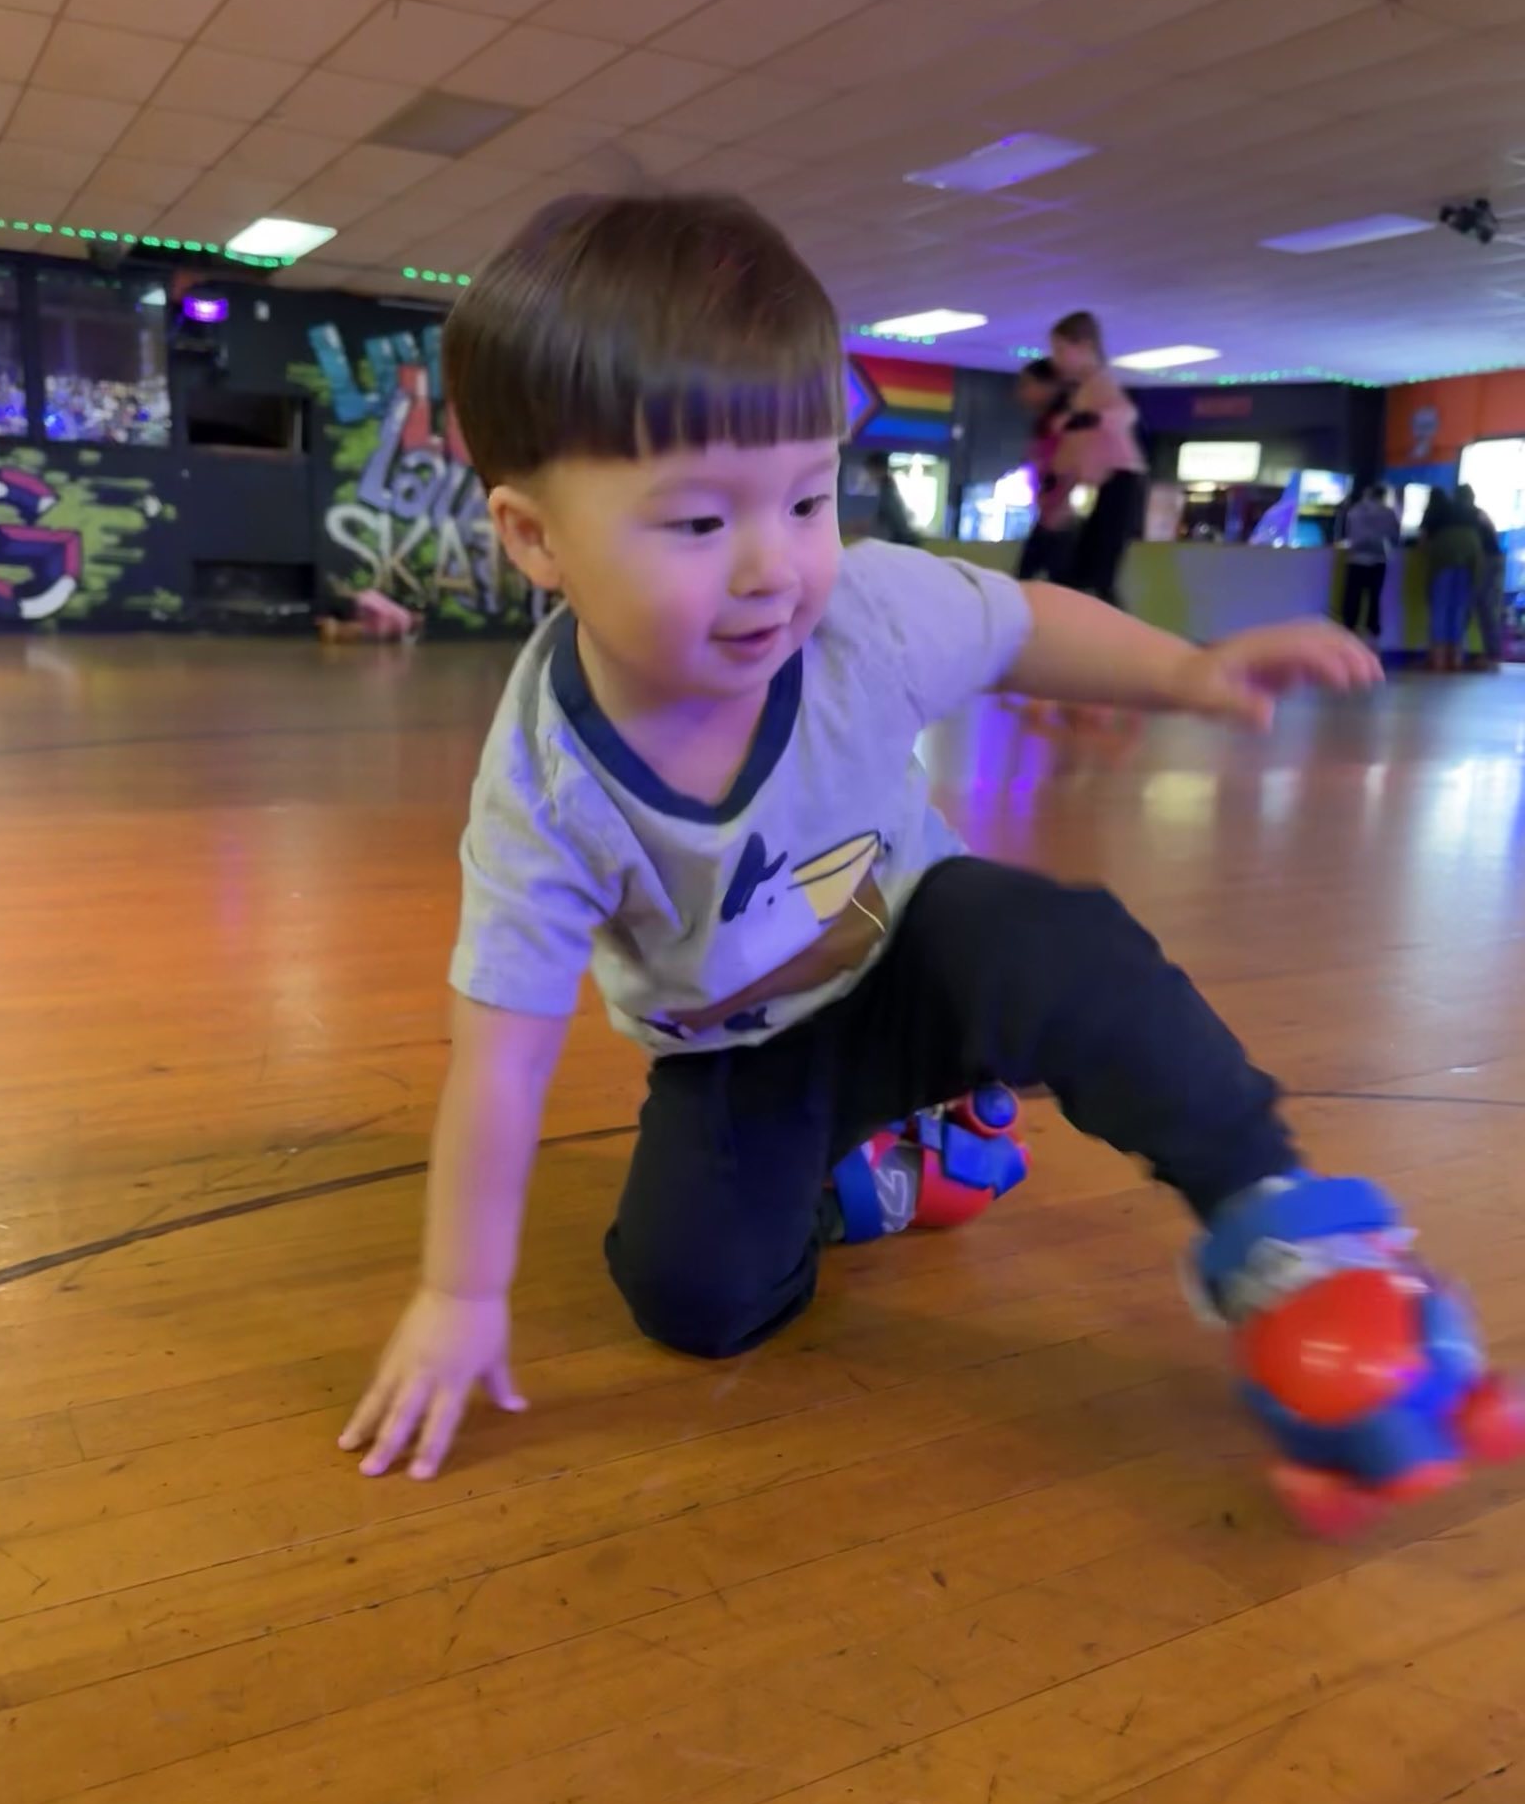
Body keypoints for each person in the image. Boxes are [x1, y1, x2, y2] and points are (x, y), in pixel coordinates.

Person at [338, 190, 1487, 1507]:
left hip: (924, 955)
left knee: (1064, 944)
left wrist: (1188, 671)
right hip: (742, 1050)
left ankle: (1283, 1228)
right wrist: (456, 1293)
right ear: (535, 536)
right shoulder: (546, 790)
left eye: (810, 498)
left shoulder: (862, 614)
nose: (774, 568)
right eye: (703, 523)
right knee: (696, 1299)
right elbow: (501, 1064)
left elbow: (1018, 624)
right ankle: (879, 1171)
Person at [1048, 311, 1147, 606]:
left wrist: (1086, 419)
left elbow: (1122, 415)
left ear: (1084, 346)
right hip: (1112, 482)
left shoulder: (1099, 382)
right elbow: (1079, 447)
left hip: (1123, 481)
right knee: (1083, 572)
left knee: (1097, 573)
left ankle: (1120, 641)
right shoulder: (1085, 388)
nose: (1057, 359)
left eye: (1061, 350)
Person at [1015, 357, 1077, 586]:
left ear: (1048, 386)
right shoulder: (1044, 425)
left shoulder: (1061, 424)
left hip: (1056, 520)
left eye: (1027, 384)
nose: (1022, 393)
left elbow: (1067, 470)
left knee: (1066, 588)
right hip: (1048, 518)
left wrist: (1054, 500)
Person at [1421, 487, 1482, 672]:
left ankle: (1438, 660)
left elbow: (1423, 540)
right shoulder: (1473, 512)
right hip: (1470, 556)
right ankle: (1456, 659)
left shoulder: (1438, 509)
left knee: (1440, 609)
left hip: (1444, 557)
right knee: (1458, 610)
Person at [1341, 483, 1399, 646]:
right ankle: (1372, 642)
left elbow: (1347, 534)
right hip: (1378, 560)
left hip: (1356, 559)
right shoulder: (1388, 513)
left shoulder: (1354, 511)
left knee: (1352, 600)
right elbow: (1395, 537)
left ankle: (1348, 638)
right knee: (1374, 600)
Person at [1455, 483, 1505, 666]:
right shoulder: (1479, 514)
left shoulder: (1470, 516)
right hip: (1493, 560)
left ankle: (1488, 654)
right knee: (1484, 606)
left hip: (1486, 561)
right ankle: (1487, 653)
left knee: (1481, 606)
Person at [862, 451, 919, 545]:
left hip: (902, 543)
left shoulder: (887, 491)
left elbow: (887, 521)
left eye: (870, 470)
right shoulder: (888, 488)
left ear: (878, 469)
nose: (869, 475)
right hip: (902, 542)